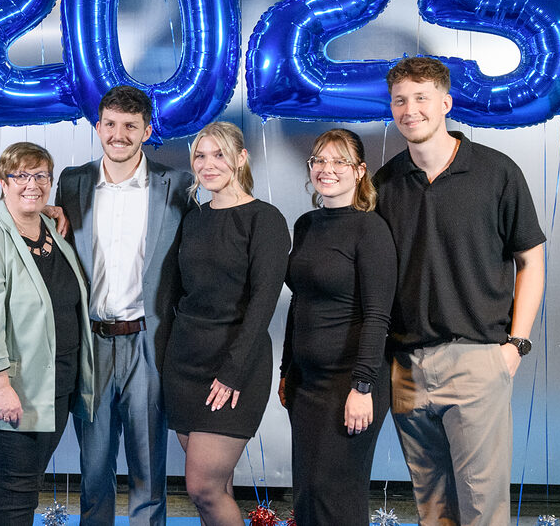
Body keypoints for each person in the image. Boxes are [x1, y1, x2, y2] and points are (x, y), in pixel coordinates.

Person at [373, 56, 546, 526]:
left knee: (482, 509)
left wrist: (515, 345)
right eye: (400, 100)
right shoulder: (383, 184)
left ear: (446, 103)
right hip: (406, 366)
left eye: (422, 98)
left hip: (477, 360)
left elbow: (531, 261)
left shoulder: (495, 172)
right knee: (433, 508)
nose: (410, 110)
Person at [54, 85, 192, 526]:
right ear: (98, 127)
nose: (119, 135)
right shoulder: (72, 182)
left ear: (147, 130)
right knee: (94, 470)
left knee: (148, 469)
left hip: (148, 344)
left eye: (130, 126)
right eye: (110, 124)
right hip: (91, 344)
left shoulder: (179, 185)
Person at [0, 142, 95, 526]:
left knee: (27, 487)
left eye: (41, 175)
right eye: (21, 176)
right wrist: (0, 385)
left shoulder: (52, 231)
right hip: (14, 389)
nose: (32, 184)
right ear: (3, 182)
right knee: (16, 490)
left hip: (55, 384)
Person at [162, 121, 289, 526]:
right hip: (185, 367)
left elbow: (263, 302)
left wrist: (232, 372)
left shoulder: (264, 219)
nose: (208, 163)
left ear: (240, 158)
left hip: (235, 368)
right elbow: (179, 294)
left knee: (203, 489)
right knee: (218, 488)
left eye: (219, 154)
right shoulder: (193, 219)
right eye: (200, 155)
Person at [279, 128, 396, 526]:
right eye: (319, 161)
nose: (327, 169)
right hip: (306, 384)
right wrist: (285, 371)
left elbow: (377, 315)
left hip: (350, 385)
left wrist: (362, 387)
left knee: (336, 499)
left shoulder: (371, 230)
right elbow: (299, 301)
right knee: (308, 495)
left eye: (339, 161)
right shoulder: (307, 224)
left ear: (360, 171)